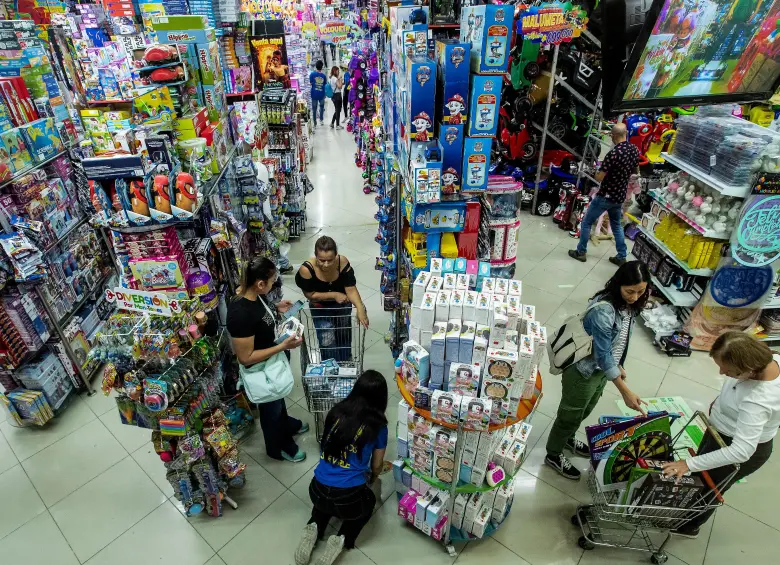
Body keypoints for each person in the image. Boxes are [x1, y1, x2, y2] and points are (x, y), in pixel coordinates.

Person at [661, 332, 780, 538]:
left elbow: (741, 452)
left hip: (735, 447)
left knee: (709, 488)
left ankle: (689, 526)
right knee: (701, 479)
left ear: (749, 370)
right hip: (722, 433)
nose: (722, 372)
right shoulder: (771, 359)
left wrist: (688, 464)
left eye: (728, 371)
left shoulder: (757, 401)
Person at [545, 260, 650, 480]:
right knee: (569, 414)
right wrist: (625, 392)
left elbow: (616, 342)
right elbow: (602, 355)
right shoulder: (603, 312)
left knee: (584, 410)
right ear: (618, 285)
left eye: (641, 291)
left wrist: (618, 364)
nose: (635, 297)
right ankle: (553, 454)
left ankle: (568, 439)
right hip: (583, 371)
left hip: (602, 371)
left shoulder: (629, 306)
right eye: (630, 291)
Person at [294, 370, 388, 565]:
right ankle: (341, 539)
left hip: (316, 489)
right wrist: (372, 477)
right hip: (349, 498)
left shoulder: (336, 412)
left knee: (325, 504)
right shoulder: (378, 425)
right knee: (367, 502)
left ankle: (313, 527)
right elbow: (377, 465)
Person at [227, 257, 308, 463]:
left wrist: (276, 307)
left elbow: (260, 315)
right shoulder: (240, 314)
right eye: (271, 281)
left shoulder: (254, 295)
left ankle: (285, 422)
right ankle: (277, 446)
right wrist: (282, 346)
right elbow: (245, 358)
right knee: (270, 408)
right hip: (261, 370)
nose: (273, 284)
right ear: (260, 283)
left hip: (273, 362)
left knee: (278, 398)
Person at [569, 123, 639, 266]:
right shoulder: (634, 149)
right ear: (625, 133)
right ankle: (621, 256)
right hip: (620, 195)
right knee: (616, 225)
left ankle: (581, 252)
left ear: (613, 135)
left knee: (587, 221)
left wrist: (597, 171)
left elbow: (599, 177)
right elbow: (635, 171)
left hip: (606, 196)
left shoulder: (613, 154)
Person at [295, 236, 368, 362]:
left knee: (343, 335)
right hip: (321, 309)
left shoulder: (342, 262)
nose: (326, 264)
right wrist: (334, 295)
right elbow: (310, 294)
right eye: (321, 260)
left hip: (343, 307)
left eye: (330, 260)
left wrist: (360, 307)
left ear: (336, 255)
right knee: (326, 340)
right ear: (315, 255)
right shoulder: (307, 269)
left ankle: (345, 362)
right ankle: (331, 367)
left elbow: (350, 288)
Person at [310, 61, 327, 127]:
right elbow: (325, 85)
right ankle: (321, 120)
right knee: (322, 107)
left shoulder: (312, 74)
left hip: (314, 93)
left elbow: (311, 83)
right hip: (321, 94)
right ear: (322, 67)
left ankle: (314, 122)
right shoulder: (324, 76)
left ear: (316, 66)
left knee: (314, 108)